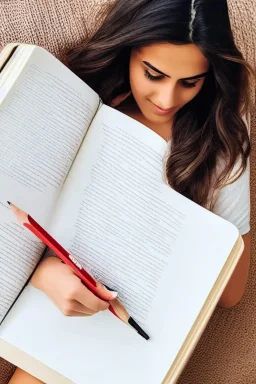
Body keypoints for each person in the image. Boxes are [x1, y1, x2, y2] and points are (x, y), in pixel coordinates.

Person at [9, 0, 254, 382]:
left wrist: (231, 140)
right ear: (127, 48)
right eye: (152, 74)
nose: (166, 100)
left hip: (139, 340)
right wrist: (44, 274)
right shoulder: (76, 96)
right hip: (58, 328)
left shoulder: (219, 133)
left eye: (190, 82)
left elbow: (232, 291)